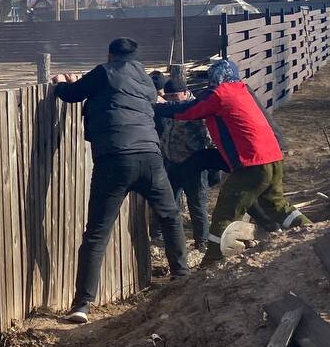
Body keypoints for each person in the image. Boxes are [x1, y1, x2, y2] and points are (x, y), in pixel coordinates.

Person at [52, 37, 189, 324]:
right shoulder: (146, 81)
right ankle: (181, 276)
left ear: (110, 54)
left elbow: (73, 95)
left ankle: (82, 305)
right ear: (135, 57)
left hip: (115, 158)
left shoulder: (104, 72)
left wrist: (60, 84)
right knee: (170, 216)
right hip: (150, 156)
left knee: (97, 232)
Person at [159, 59, 310, 264]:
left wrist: (157, 108)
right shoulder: (242, 90)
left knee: (226, 212)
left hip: (252, 162)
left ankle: (213, 258)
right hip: (273, 157)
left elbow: (188, 111)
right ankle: (310, 230)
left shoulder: (220, 94)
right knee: (277, 205)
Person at [159, 76, 216, 251]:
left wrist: (211, 168)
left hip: (193, 165)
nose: (172, 100)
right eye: (168, 97)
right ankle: (171, 240)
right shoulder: (168, 109)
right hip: (172, 163)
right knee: (170, 204)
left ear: (185, 93)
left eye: (175, 96)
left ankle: (202, 242)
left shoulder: (197, 109)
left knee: (197, 204)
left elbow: (209, 138)